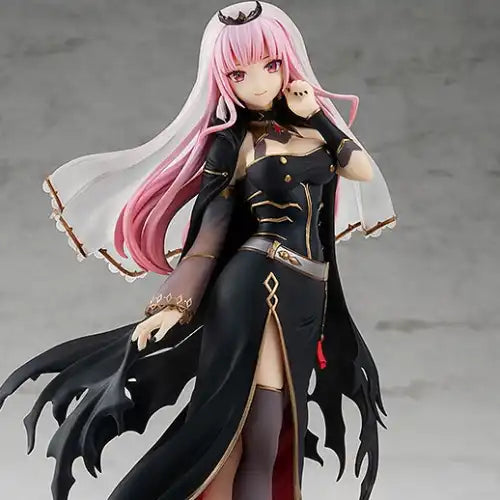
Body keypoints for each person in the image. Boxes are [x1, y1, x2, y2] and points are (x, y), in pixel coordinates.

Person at [0, 2, 397, 499]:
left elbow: (360, 168)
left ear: (289, 61)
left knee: (278, 424)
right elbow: (211, 227)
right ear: (221, 79)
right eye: (239, 73)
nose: (258, 83)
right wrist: (174, 303)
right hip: (260, 285)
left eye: (270, 65)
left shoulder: (311, 130)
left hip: (306, 292)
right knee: (259, 424)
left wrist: (317, 114)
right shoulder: (232, 143)